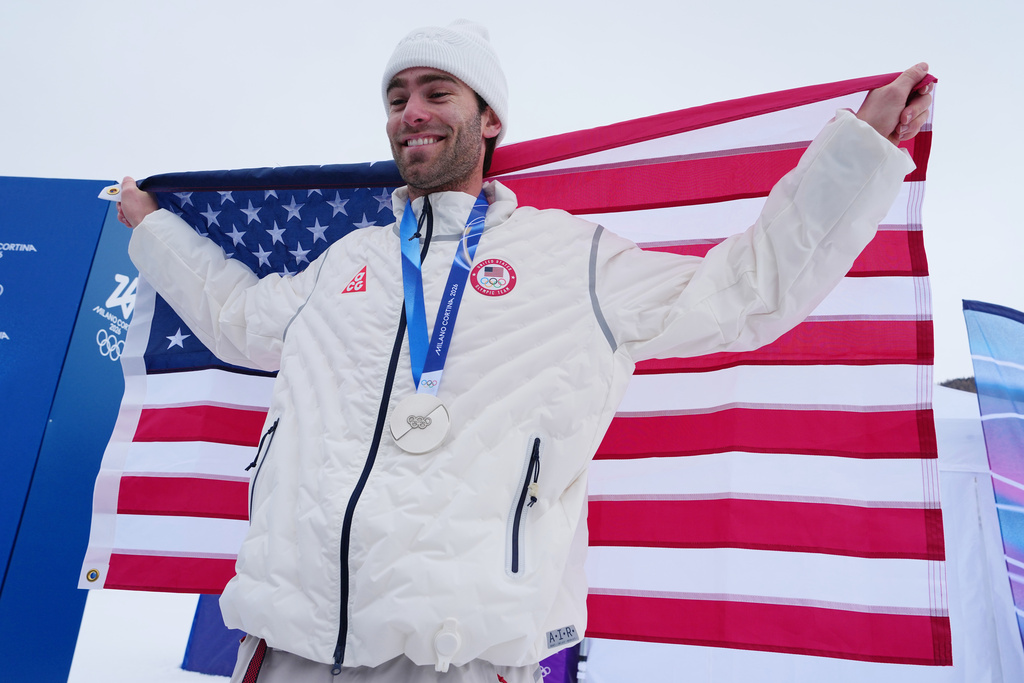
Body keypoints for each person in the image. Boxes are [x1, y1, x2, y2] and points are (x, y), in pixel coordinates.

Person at [117, 20, 932, 683]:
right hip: (282, 647)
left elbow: (748, 292)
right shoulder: (347, 262)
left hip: (454, 661)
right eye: (397, 97)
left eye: (437, 91)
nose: (412, 111)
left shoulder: (572, 259)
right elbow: (232, 316)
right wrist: (151, 229)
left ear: (490, 119)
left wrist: (860, 149)